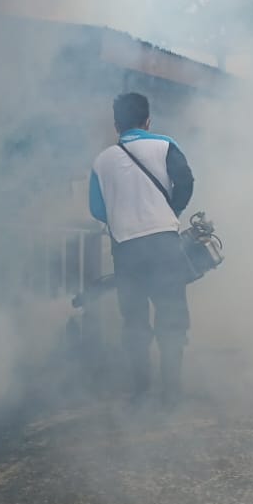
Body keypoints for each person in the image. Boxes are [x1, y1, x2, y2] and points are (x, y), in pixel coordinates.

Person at [89, 91, 194, 404]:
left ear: (116, 125)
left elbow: (96, 207)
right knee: (171, 315)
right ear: (147, 120)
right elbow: (186, 182)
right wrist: (170, 212)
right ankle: (171, 392)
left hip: (125, 247)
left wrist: (123, 218)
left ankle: (140, 391)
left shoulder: (101, 160)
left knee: (134, 319)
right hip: (164, 242)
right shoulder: (164, 145)